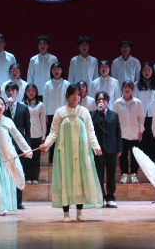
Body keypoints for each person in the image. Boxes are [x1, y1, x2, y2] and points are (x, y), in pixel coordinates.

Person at [39, 85, 104, 222]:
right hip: (65, 152)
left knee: (80, 180)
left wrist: (96, 147)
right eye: (74, 94)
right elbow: (53, 132)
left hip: (82, 151)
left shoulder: (84, 112)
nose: (76, 97)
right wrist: (46, 144)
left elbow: (91, 132)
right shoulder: (60, 112)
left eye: (78, 94)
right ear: (67, 95)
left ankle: (79, 213)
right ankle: (66, 214)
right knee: (66, 179)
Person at [91, 91, 122, 207]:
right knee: (98, 173)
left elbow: (118, 132)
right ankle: (100, 197)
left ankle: (110, 198)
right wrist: (97, 113)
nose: (101, 101)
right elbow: (90, 128)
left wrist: (119, 148)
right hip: (98, 148)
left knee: (111, 173)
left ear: (107, 102)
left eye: (103, 99)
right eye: (99, 99)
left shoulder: (114, 115)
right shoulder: (92, 114)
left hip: (111, 147)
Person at [4, 82, 31, 209]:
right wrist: (5, 107)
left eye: (13, 91)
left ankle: (18, 201)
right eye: (8, 91)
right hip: (6, 144)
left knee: (19, 173)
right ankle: (7, 201)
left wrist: (27, 148)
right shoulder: (3, 108)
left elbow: (27, 130)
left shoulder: (23, 108)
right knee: (7, 173)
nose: (11, 93)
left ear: (17, 92)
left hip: (19, 146)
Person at [113, 80, 144, 184]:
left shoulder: (137, 102)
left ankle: (134, 174)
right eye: (125, 87)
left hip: (135, 133)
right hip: (122, 134)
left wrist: (141, 131)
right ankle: (124, 174)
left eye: (129, 87)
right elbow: (115, 119)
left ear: (132, 89)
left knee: (135, 155)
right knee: (123, 155)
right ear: (122, 89)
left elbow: (141, 118)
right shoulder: (117, 103)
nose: (127, 89)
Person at [134, 62, 155, 160]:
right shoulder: (136, 84)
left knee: (153, 136)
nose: (147, 72)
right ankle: (143, 160)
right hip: (141, 115)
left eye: (149, 70)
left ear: (152, 71)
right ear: (141, 72)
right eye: (145, 70)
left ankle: (154, 159)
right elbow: (135, 100)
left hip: (154, 114)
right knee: (143, 138)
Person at [23, 84, 46, 185]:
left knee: (36, 158)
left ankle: (35, 177)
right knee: (27, 158)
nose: (31, 92)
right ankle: (28, 177)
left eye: (33, 90)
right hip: (25, 135)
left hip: (37, 135)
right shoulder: (22, 104)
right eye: (29, 90)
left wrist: (43, 136)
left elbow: (43, 122)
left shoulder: (40, 105)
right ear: (26, 92)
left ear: (36, 92)